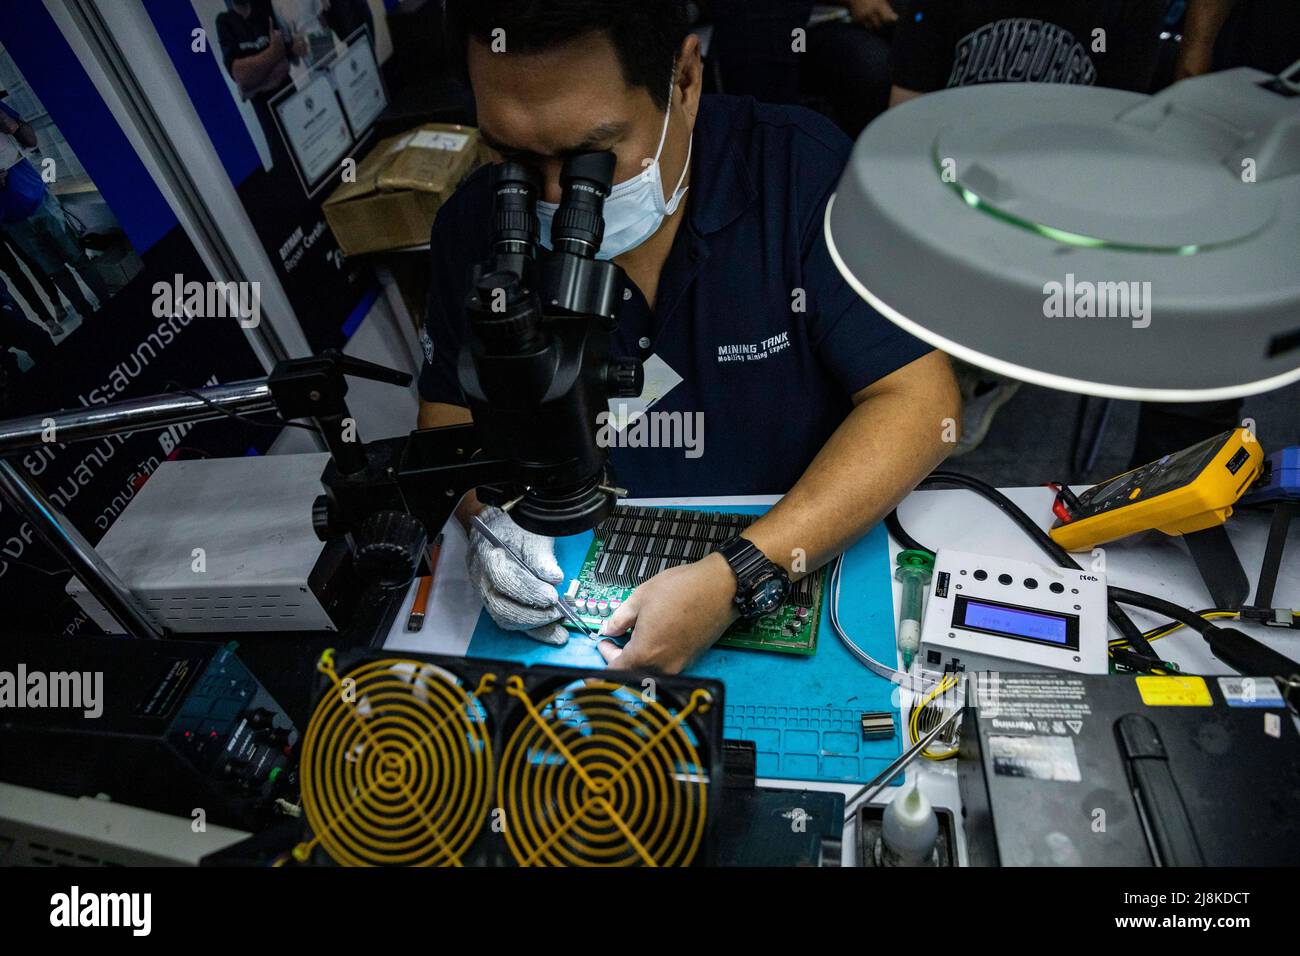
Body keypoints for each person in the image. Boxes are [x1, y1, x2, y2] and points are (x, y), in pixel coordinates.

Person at [419, 0, 960, 674]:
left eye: (590, 159)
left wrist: (741, 574)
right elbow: (448, 421)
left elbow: (921, 403)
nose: (555, 200)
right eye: (513, 157)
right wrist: (487, 526)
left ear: (684, 78)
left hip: (798, 546)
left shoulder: (800, 174)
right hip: (587, 570)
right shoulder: (473, 227)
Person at [0, 98, 109, 324]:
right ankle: (86, 314)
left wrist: (13, 126)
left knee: (77, 257)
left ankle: (107, 302)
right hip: (12, 221)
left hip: (39, 200)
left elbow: (30, 138)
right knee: (55, 271)